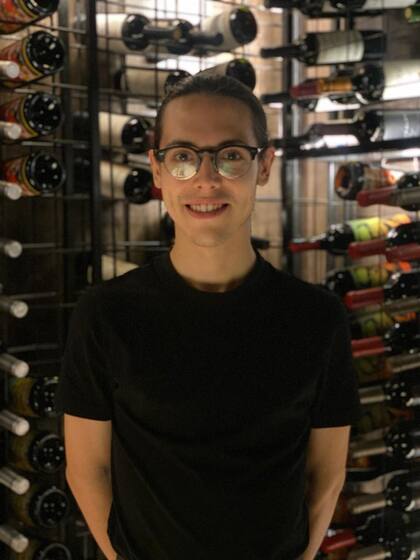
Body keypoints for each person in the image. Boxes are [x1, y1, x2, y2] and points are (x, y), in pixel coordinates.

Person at [55, 74, 361, 560]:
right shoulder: (106, 313)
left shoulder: (318, 318)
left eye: (230, 155)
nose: (206, 179)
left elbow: (326, 474)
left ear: (264, 166)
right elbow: (86, 468)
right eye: (183, 156)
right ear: (157, 170)